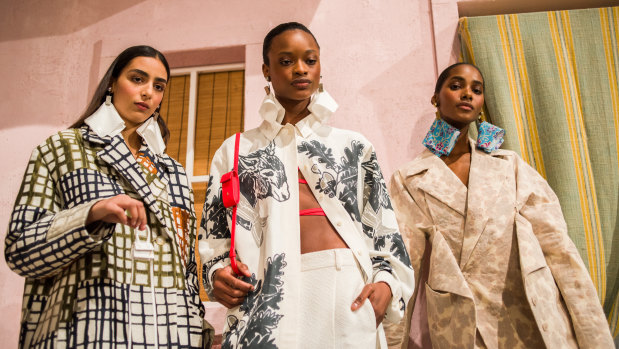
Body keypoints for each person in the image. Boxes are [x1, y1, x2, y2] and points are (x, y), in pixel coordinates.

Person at [199, 22, 414, 348]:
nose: (300, 69)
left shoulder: (353, 146)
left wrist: (385, 284)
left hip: (346, 292)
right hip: (264, 294)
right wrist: (216, 275)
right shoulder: (236, 150)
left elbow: (383, 230)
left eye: (310, 60)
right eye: (286, 61)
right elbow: (213, 235)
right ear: (266, 70)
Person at [387, 63, 614, 348]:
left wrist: (595, 338)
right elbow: (403, 268)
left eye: (476, 89)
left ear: (482, 103)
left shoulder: (510, 166)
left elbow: (559, 248)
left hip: (533, 309)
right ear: (436, 98)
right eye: (456, 86)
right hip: (465, 322)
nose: (467, 94)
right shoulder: (410, 179)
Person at [5, 45, 212, 348]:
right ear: (113, 82)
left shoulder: (173, 171)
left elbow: (187, 272)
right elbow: (20, 249)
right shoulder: (62, 148)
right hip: (87, 327)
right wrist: (91, 214)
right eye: (138, 79)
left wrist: (199, 331)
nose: (148, 93)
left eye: (158, 86)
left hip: (171, 333)